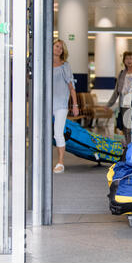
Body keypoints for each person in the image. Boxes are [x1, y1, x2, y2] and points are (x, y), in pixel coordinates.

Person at [52, 39, 78, 174]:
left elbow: (71, 87)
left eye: (61, 48)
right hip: (46, 104)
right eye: (56, 46)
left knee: (58, 133)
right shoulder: (44, 64)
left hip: (61, 104)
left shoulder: (64, 66)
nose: (58, 49)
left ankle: (60, 163)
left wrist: (75, 104)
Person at [104, 51, 132, 145]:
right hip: (123, 105)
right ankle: (128, 146)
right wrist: (109, 104)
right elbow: (116, 92)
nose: (129, 60)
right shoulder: (122, 74)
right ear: (124, 61)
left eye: (131, 58)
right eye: (127, 58)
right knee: (126, 128)